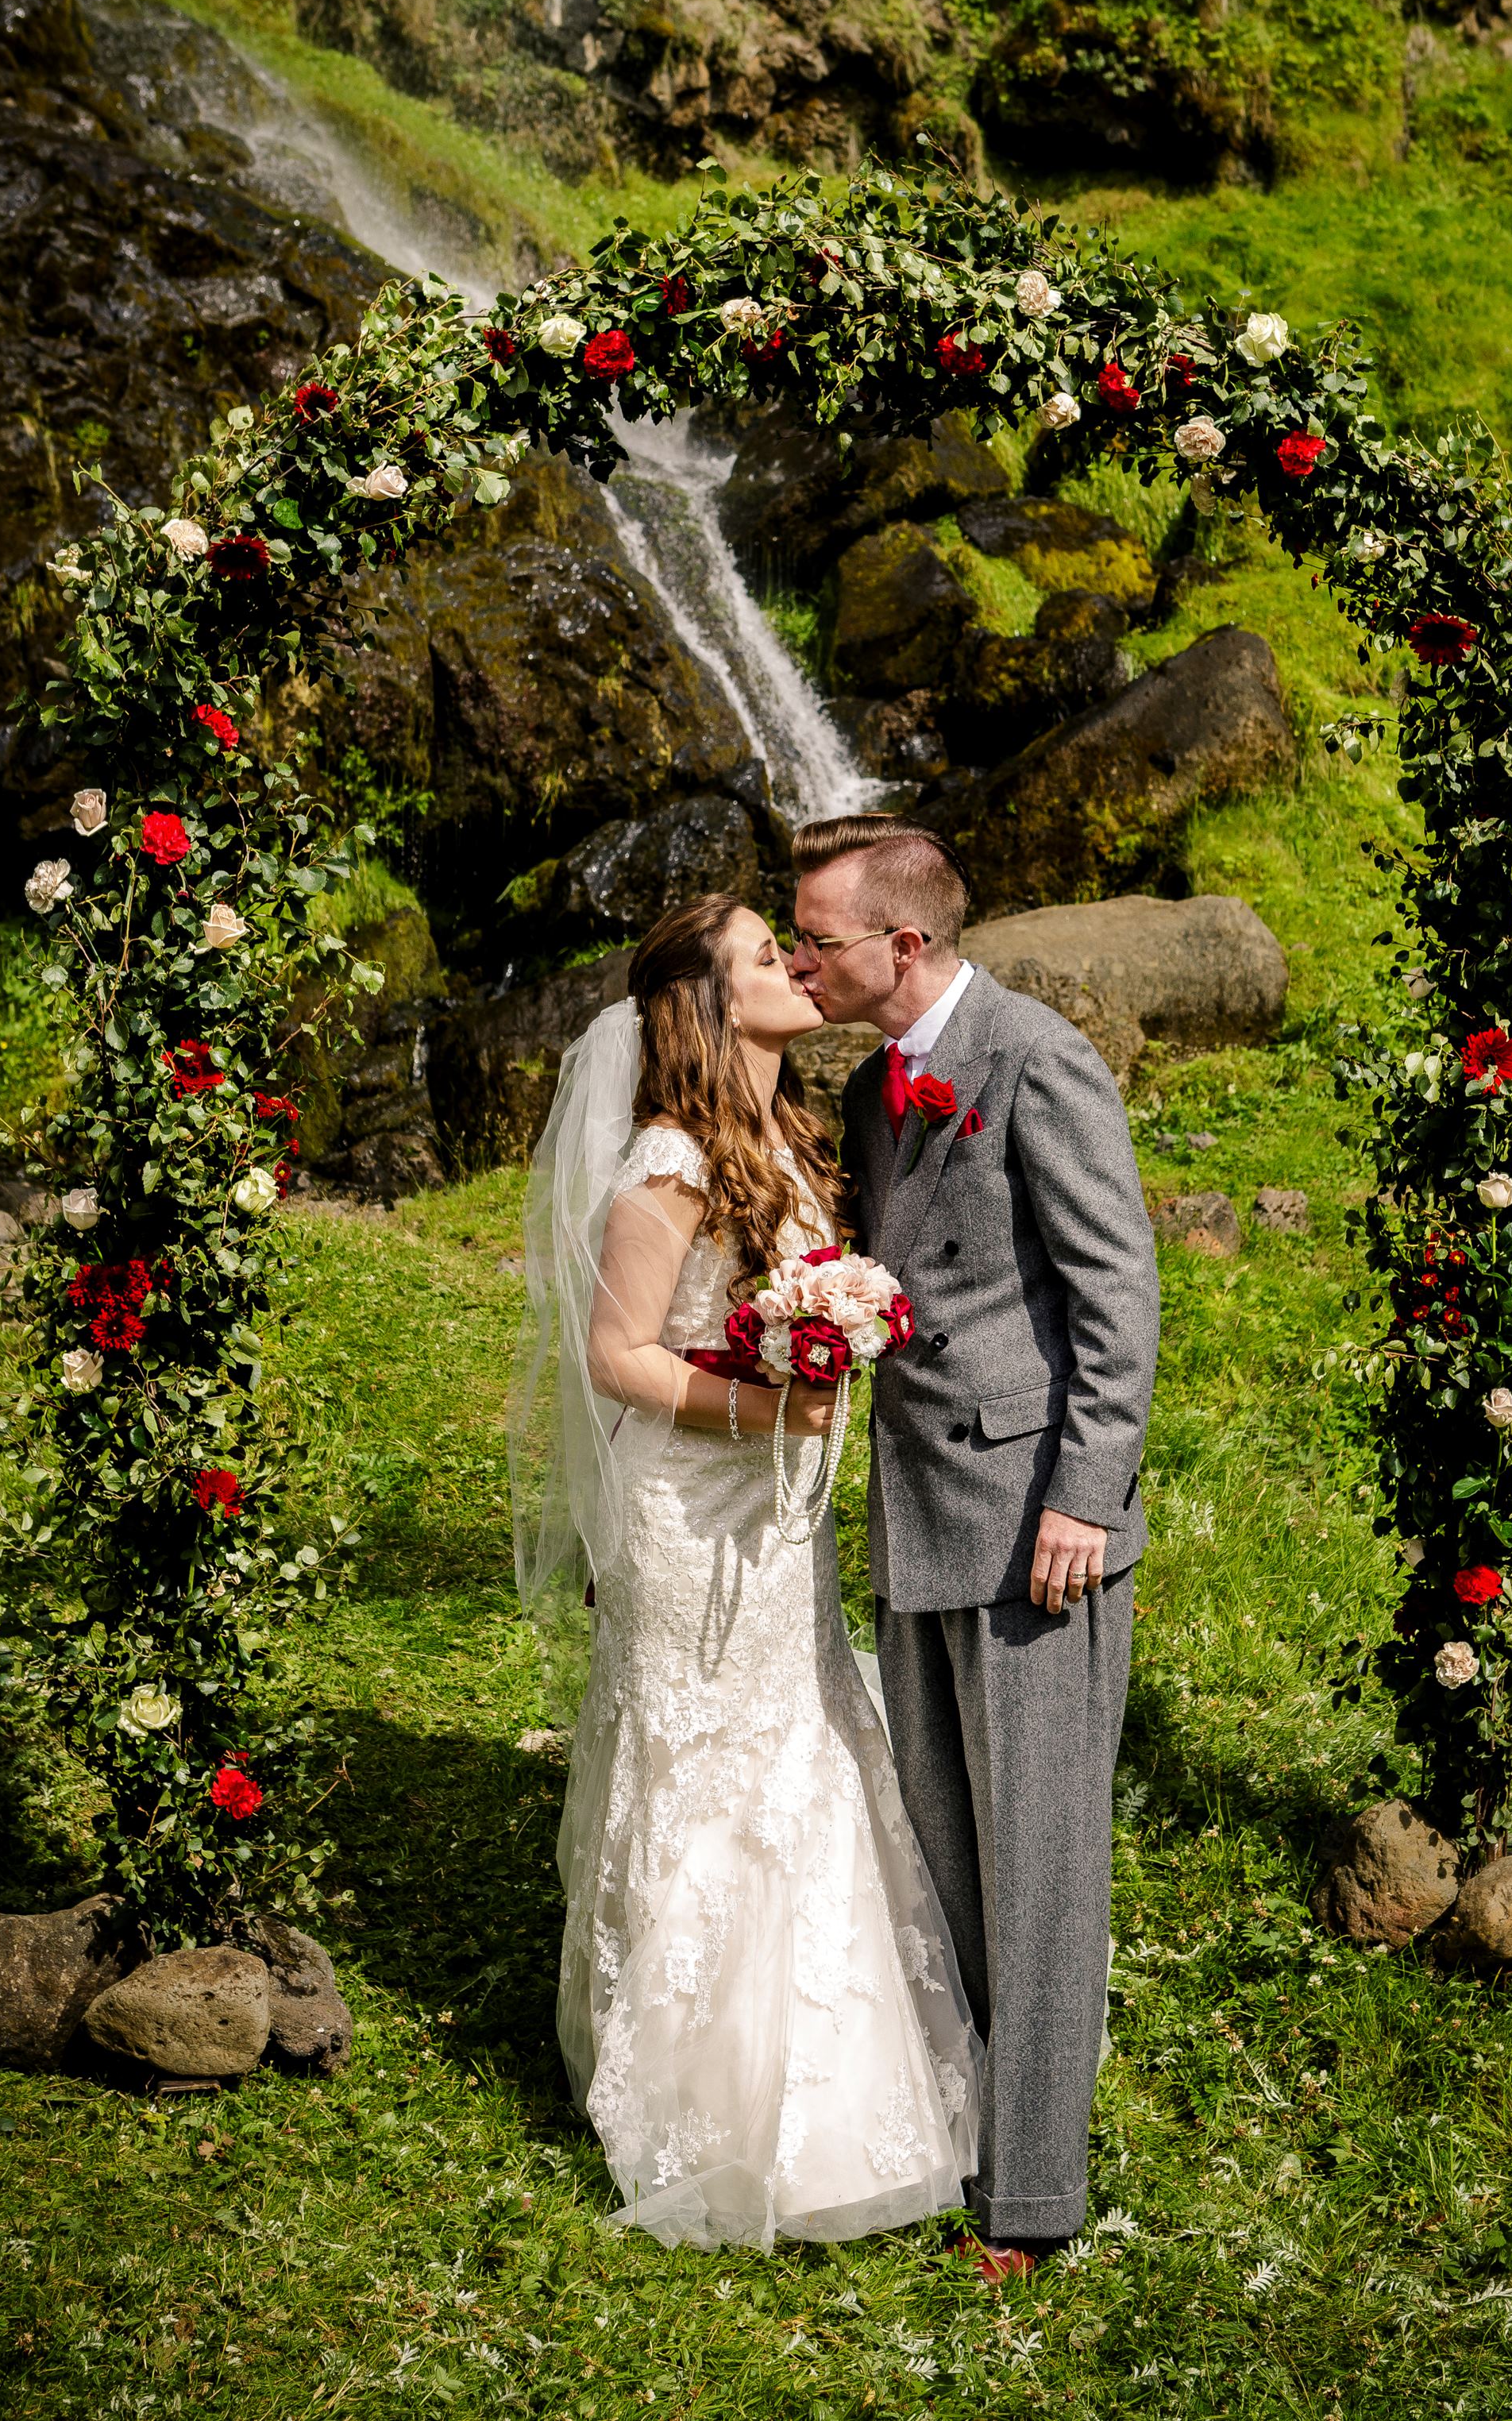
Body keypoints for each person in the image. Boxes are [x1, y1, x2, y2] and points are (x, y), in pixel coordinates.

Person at [511, 892, 982, 2253]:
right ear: (709, 1004)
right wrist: (766, 1408)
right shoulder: (670, 1157)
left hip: (779, 1519)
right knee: (708, 1763)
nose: (797, 965)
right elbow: (617, 1355)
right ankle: (699, 2102)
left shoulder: (789, 1134)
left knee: (800, 1745)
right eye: (768, 956)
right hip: (693, 1511)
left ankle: (832, 2082)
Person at [788, 812, 1159, 2273]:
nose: (800, 960)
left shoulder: (1036, 1058)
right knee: (948, 1844)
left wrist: (1085, 1496)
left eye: (815, 939)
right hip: (920, 1509)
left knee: (1040, 1870)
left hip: (1034, 1529)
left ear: (901, 943)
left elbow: (1116, 1296)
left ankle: (1032, 2201)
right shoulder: (872, 1089)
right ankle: (962, 2129)